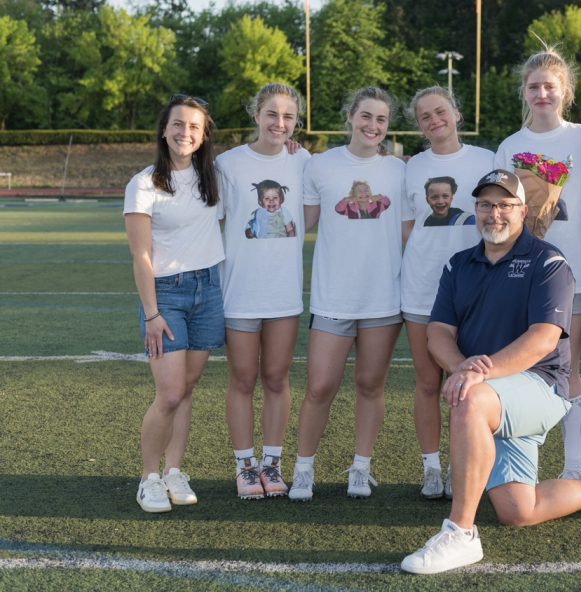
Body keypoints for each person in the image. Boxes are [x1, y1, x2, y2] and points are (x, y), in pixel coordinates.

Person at [400, 169, 581, 575]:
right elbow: (439, 333)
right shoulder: (459, 264)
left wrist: (479, 373)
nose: (493, 213)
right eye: (485, 205)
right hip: (494, 391)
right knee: (519, 510)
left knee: (469, 399)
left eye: (504, 205)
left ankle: (460, 533)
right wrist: (462, 366)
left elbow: (544, 339)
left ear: (523, 211)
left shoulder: (547, 261)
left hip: (541, 387)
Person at [494, 48, 581, 480]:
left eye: (550, 86)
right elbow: (497, 211)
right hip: (519, 271)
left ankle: (574, 468)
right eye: (534, 86)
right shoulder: (510, 145)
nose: (542, 93)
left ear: (566, 92)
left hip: (570, 270)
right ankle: (517, 468)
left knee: (567, 367)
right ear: (524, 92)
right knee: (517, 366)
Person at [290, 87, 404, 501]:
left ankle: (361, 467)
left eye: (381, 120)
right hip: (333, 296)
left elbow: (410, 229)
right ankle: (303, 469)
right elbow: (302, 223)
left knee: (371, 385)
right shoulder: (319, 166)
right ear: (350, 117)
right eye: (366, 117)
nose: (373, 126)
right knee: (320, 386)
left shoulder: (399, 170)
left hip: (383, 298)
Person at [124, 94, 224, 513]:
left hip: (209, 290)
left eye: (194, 127)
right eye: (178, 125)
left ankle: (174, 470)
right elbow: (141, 255)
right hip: (167, 294)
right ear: (164, 130)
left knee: (186, 391)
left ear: (203, 137)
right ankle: (149, 478)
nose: (186, 133)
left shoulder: (214, 176)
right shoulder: (144, 183)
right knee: (168, 394)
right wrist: (151, 313)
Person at [216, 83, 311, 500]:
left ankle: (272, 464)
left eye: (288, 116)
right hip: (239, 291)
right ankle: (244, 466)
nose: (280, 123)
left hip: (283, 292)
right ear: (256, 114)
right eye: (272, 114)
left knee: (276, 378)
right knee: (242, 379)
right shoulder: (227, 163)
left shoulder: (305, 161)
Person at [401, 86, 494, 499]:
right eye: (425, 116)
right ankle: (432, 468)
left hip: (476, 288)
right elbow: (408, 230)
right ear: (419, 125)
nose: (434, 120)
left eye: (440, 111)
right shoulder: (409, 167)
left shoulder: (487, 160)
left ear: (457, 113)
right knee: (427, 383)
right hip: (422, 288)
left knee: (470, 384)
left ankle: (464, 465)